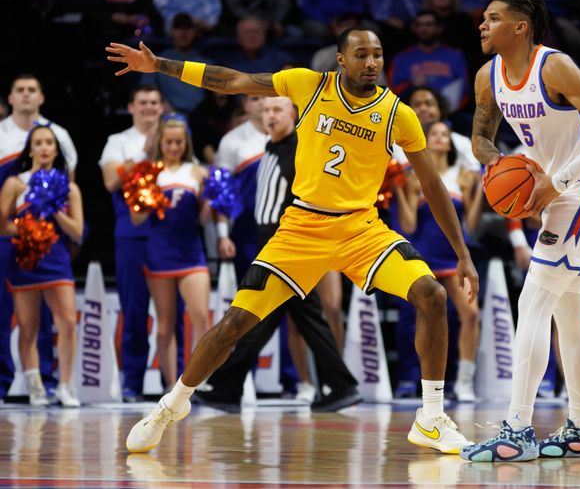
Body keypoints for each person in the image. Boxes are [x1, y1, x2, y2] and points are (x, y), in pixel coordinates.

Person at [106, 25, 480, 455]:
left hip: (362, 228)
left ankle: (430, 417)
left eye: (377, 54)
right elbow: (232, 79)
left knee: (431, 294)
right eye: (361, 54)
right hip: (303, 227)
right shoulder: (308, 84)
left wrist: (462, 252)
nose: (371, 62)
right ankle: (172, 405)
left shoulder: (398, 114)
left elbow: (432, 184)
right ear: (341, 60)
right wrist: (161, 66)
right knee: (233, 325)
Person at [461, 0, 580, 462]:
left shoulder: (553, 66)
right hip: (560, 188)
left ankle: (516, 430)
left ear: (520, 27)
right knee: (568, 310)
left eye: (493, 18)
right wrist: (499, 165)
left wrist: (557, 180)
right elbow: (479, 135)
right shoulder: (487, 76)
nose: (482, 25)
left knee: (533, 299)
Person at [197, 96, 361, 411]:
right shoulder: (272, 147)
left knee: (259, 317)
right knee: (276, 318)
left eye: (278, 110)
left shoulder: (299, 150)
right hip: (274, 244)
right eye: (267, 109)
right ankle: (341, 385)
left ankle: (228, 387)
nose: (270, 115)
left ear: (294, 114)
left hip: (286, 245)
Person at [0, 74, 79, 401]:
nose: (45, 148)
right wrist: (28, 231)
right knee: (24, 322)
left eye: (49, 144)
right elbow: (2, 221)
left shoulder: (67, 180)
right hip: (20, 252)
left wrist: (55, 218)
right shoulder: (15, 179)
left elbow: (77, 227)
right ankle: (28, 386)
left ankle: (61, 384)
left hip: (57, 255)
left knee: (65, 321)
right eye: (21, 90)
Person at [394, 121, 483, 401]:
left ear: (451, 143)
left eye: (445, 134)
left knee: (470, 315)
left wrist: (479, 187)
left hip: (454, 258)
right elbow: (407, 225)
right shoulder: (413, 177)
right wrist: (398, 188)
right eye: (434, 134)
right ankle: (413, 380)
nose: (440, 138)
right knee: (416, 320)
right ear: (425, 139)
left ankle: (464, 383)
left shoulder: (463, 176)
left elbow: (472, 224)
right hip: (422, 257)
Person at [129, 114, 211, 387]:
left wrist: (211, 201)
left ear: (185, 143)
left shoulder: (197, 172)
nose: (174, 147)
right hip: (159, 253)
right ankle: (169, 386)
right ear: (160, 142)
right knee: (165, 323)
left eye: (178, 142)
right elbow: (136, 219)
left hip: (191, 252)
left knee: (201, 316)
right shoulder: (149, 172)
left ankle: (198, 381)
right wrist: (147, 199)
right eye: (169, 142)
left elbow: (203, 220)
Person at [99, 85, 165, 402]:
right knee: (134, 311)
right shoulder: (119, 141)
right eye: (143, 102)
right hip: (131, 234)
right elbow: (110, 180)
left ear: (162, 107)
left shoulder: (175, 138)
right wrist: (144, 153)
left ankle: (176, 383)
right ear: (131, 107)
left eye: (154, 102)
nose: (149, 107)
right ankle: (132, 383)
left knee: (171, 315)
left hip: (170, 235)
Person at [215, 95, 268, 281]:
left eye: (269, 96)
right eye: (255, 98)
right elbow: (222, 191)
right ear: (245, 104)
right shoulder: (230, 141)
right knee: (251, 297)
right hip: (247, 231)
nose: (263, 102)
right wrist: (223, 235)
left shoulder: (293, 135)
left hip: (288, 228)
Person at [140, 13, 210, 116]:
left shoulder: (207, 64)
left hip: (201, 118)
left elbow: (217, 98)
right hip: (168, 116)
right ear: (171, 32)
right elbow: (145, 89)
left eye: (188, 28)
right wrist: (161, 104)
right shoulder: (157, 62)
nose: (183, 33)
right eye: (178, 28)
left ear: (195, 32)